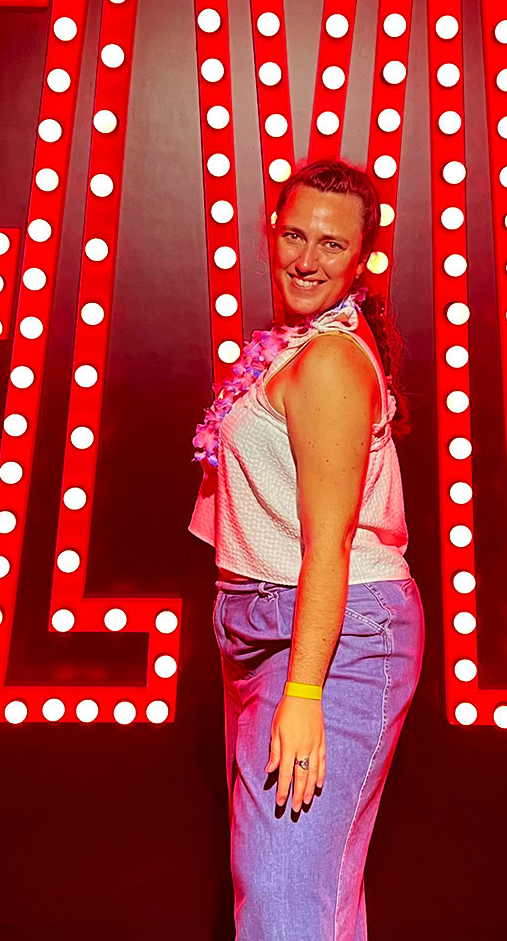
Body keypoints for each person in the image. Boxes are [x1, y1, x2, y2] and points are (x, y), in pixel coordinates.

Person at [189, 158, 423, 941]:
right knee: (305, 894)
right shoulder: (296, 343)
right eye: (295, 234)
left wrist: (304, 692)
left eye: (331, 245)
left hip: (330, 638)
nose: (306, 259)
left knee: (286, 897)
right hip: (264, 628)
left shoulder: (326, 362)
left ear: (362, 260)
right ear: (271, 232)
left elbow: (330, 545)